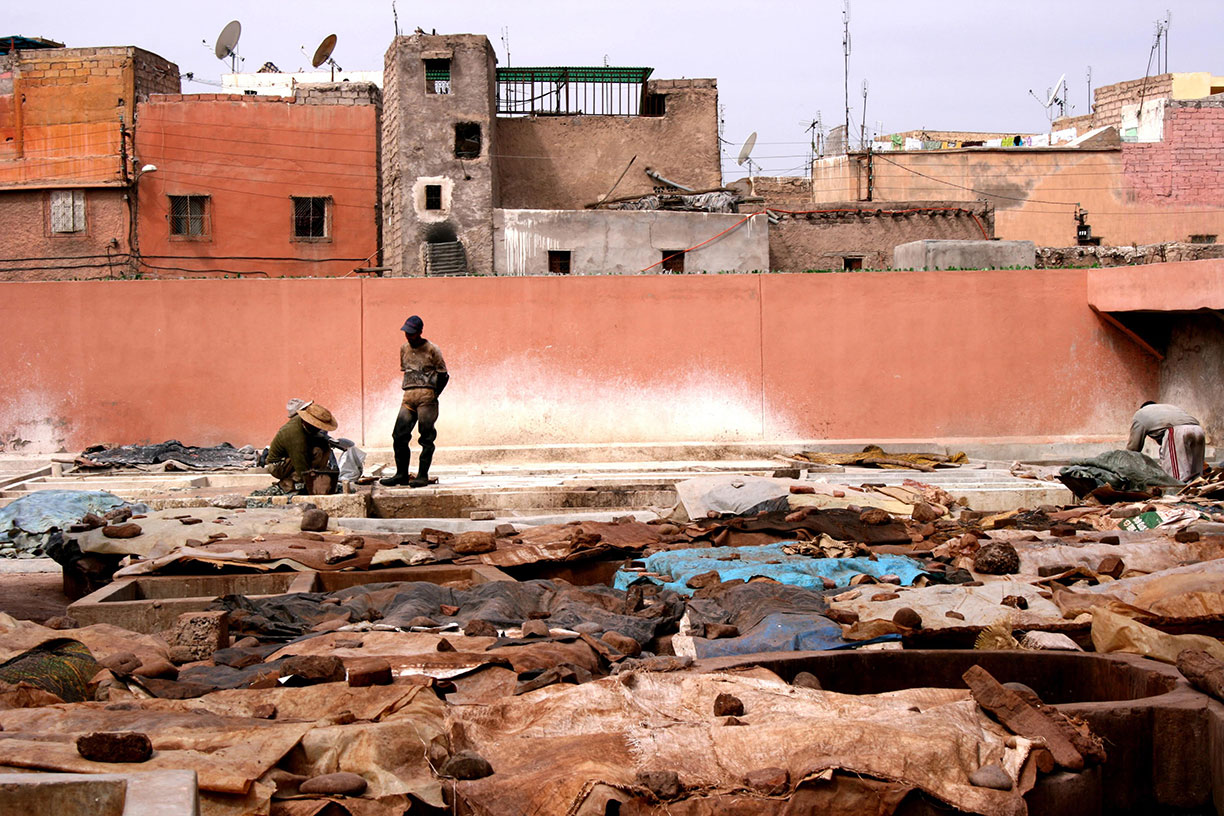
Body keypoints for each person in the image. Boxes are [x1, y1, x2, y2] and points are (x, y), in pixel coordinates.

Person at [381, 314, 448, 488]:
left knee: (426, 438)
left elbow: (443, 375)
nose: (408, 336)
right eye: (406, 333)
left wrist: (434, 395)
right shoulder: (404, 348)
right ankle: (401, 474)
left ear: (419, 332)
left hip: (427, 398)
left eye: (411, 333)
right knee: (399, 435)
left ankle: (422, 475)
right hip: (408, 397)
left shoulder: (432, 349)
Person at [265, 402, 339, 493]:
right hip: (277, 465)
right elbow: (301, 464)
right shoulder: (295, 435)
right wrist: (312, 484)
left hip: (293, 457)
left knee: (323, 448)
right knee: (316, 453)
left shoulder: (303, 425)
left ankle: (297, 480)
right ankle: (287, 483)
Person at [1127, 401, 1206, 482]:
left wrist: (1126, 461)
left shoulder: (1140, 414)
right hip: (1198, 430)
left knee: (1176, 478)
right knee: (1197, 476)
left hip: (1177, 432)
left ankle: (1179, 489)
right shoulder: (1169, 408)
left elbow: (1133, 447)